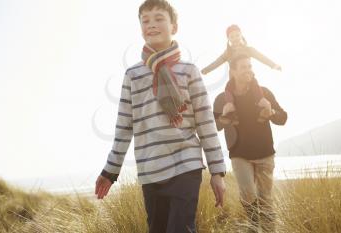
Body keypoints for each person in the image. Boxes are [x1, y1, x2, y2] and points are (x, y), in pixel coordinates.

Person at [95, 1, 226, 232]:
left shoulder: (189, 71)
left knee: (181, 228)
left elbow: (206, 123)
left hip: (186, 165)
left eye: (158, 19)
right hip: (150, 170)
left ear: (174, 27)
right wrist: (110, 171)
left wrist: (217, 171)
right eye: (145, 21)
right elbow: (124, 127)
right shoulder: (133, 75)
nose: (151, 25)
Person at [213, 54, 287, 233]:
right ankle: (254, 228)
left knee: (265, 199)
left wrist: (271, 112)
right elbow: (215, 126)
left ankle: (269, 230)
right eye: (244, 67)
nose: (249, 70)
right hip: (240, 154)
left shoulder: (264, 93)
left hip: (265, 153)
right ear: (233, 72)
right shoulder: (222, 99)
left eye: (250, 66)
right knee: (248, 196)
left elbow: (283, 118)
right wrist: (224, 116)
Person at [203, 24, 282, 124]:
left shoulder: (249, 49)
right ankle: (231, 112)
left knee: (255, 86)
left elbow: (261, 57)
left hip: (249, 77)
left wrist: (274, 65)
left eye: (237, 35)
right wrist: (207, 70)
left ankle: (263, 108)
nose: (235, 38)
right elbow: (217, 62)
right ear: (228, 39)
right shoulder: (228, 52)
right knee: (228, 89)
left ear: (241, 35)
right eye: (232, 36)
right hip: (234, 80)